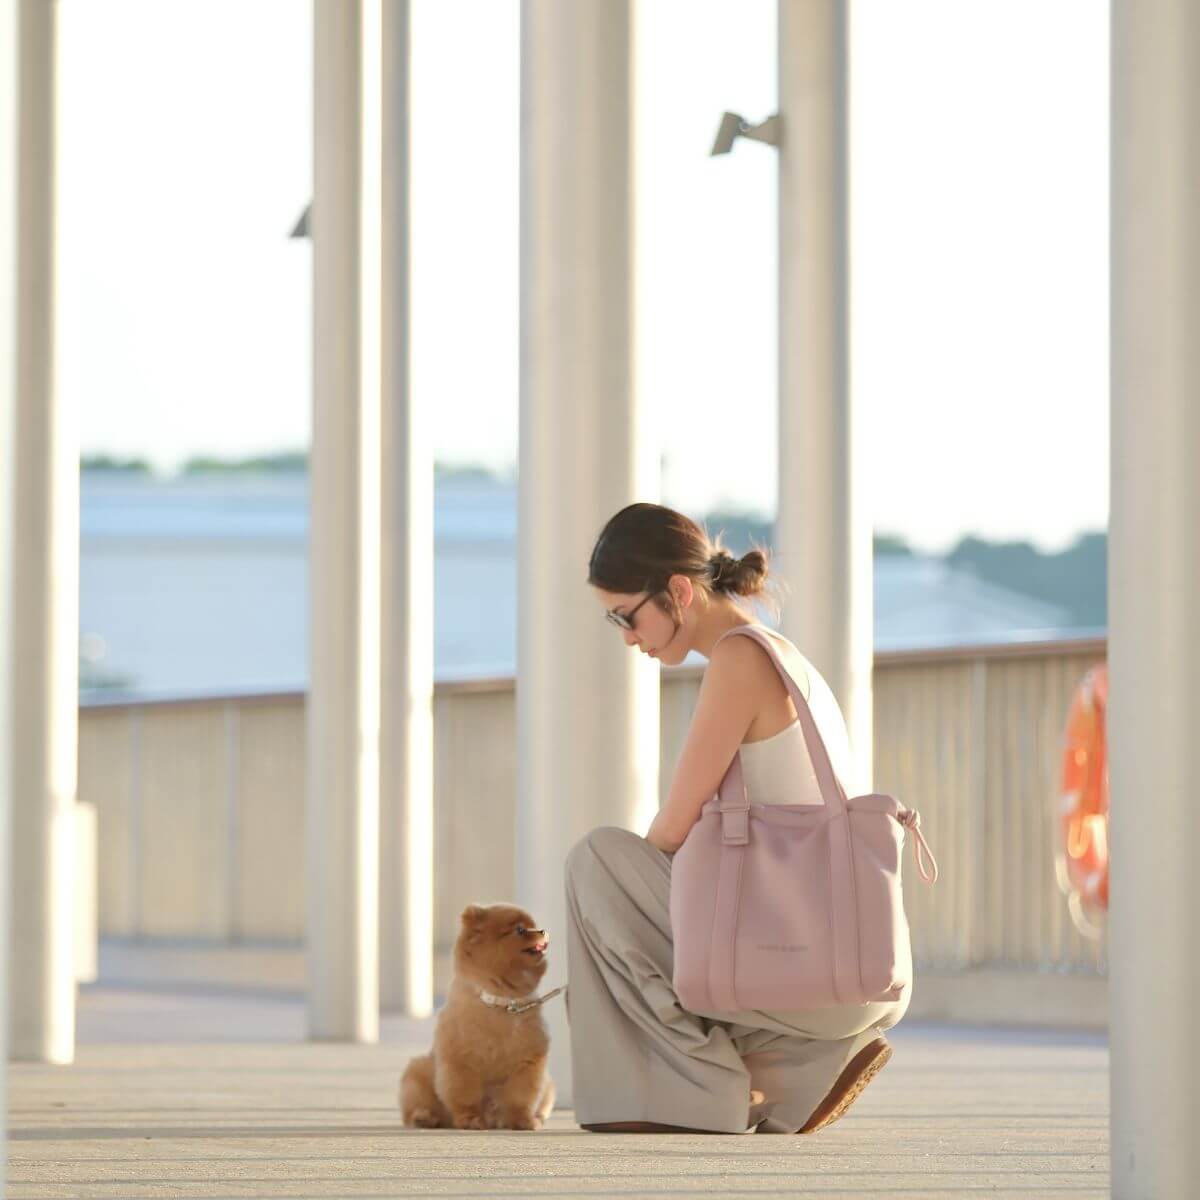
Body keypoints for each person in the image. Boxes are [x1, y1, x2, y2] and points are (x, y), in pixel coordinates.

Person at [564, 502, 909, 1134]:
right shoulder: (782, 655)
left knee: (597, 865)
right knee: (664, 899)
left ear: (677, 591)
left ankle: (696, 1090)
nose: (625, 636)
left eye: (625, 615)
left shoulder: (738, 659)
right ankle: (796, 1069)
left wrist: (620, 925)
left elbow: (672, 827)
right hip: (843, 963)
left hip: (811, 962)